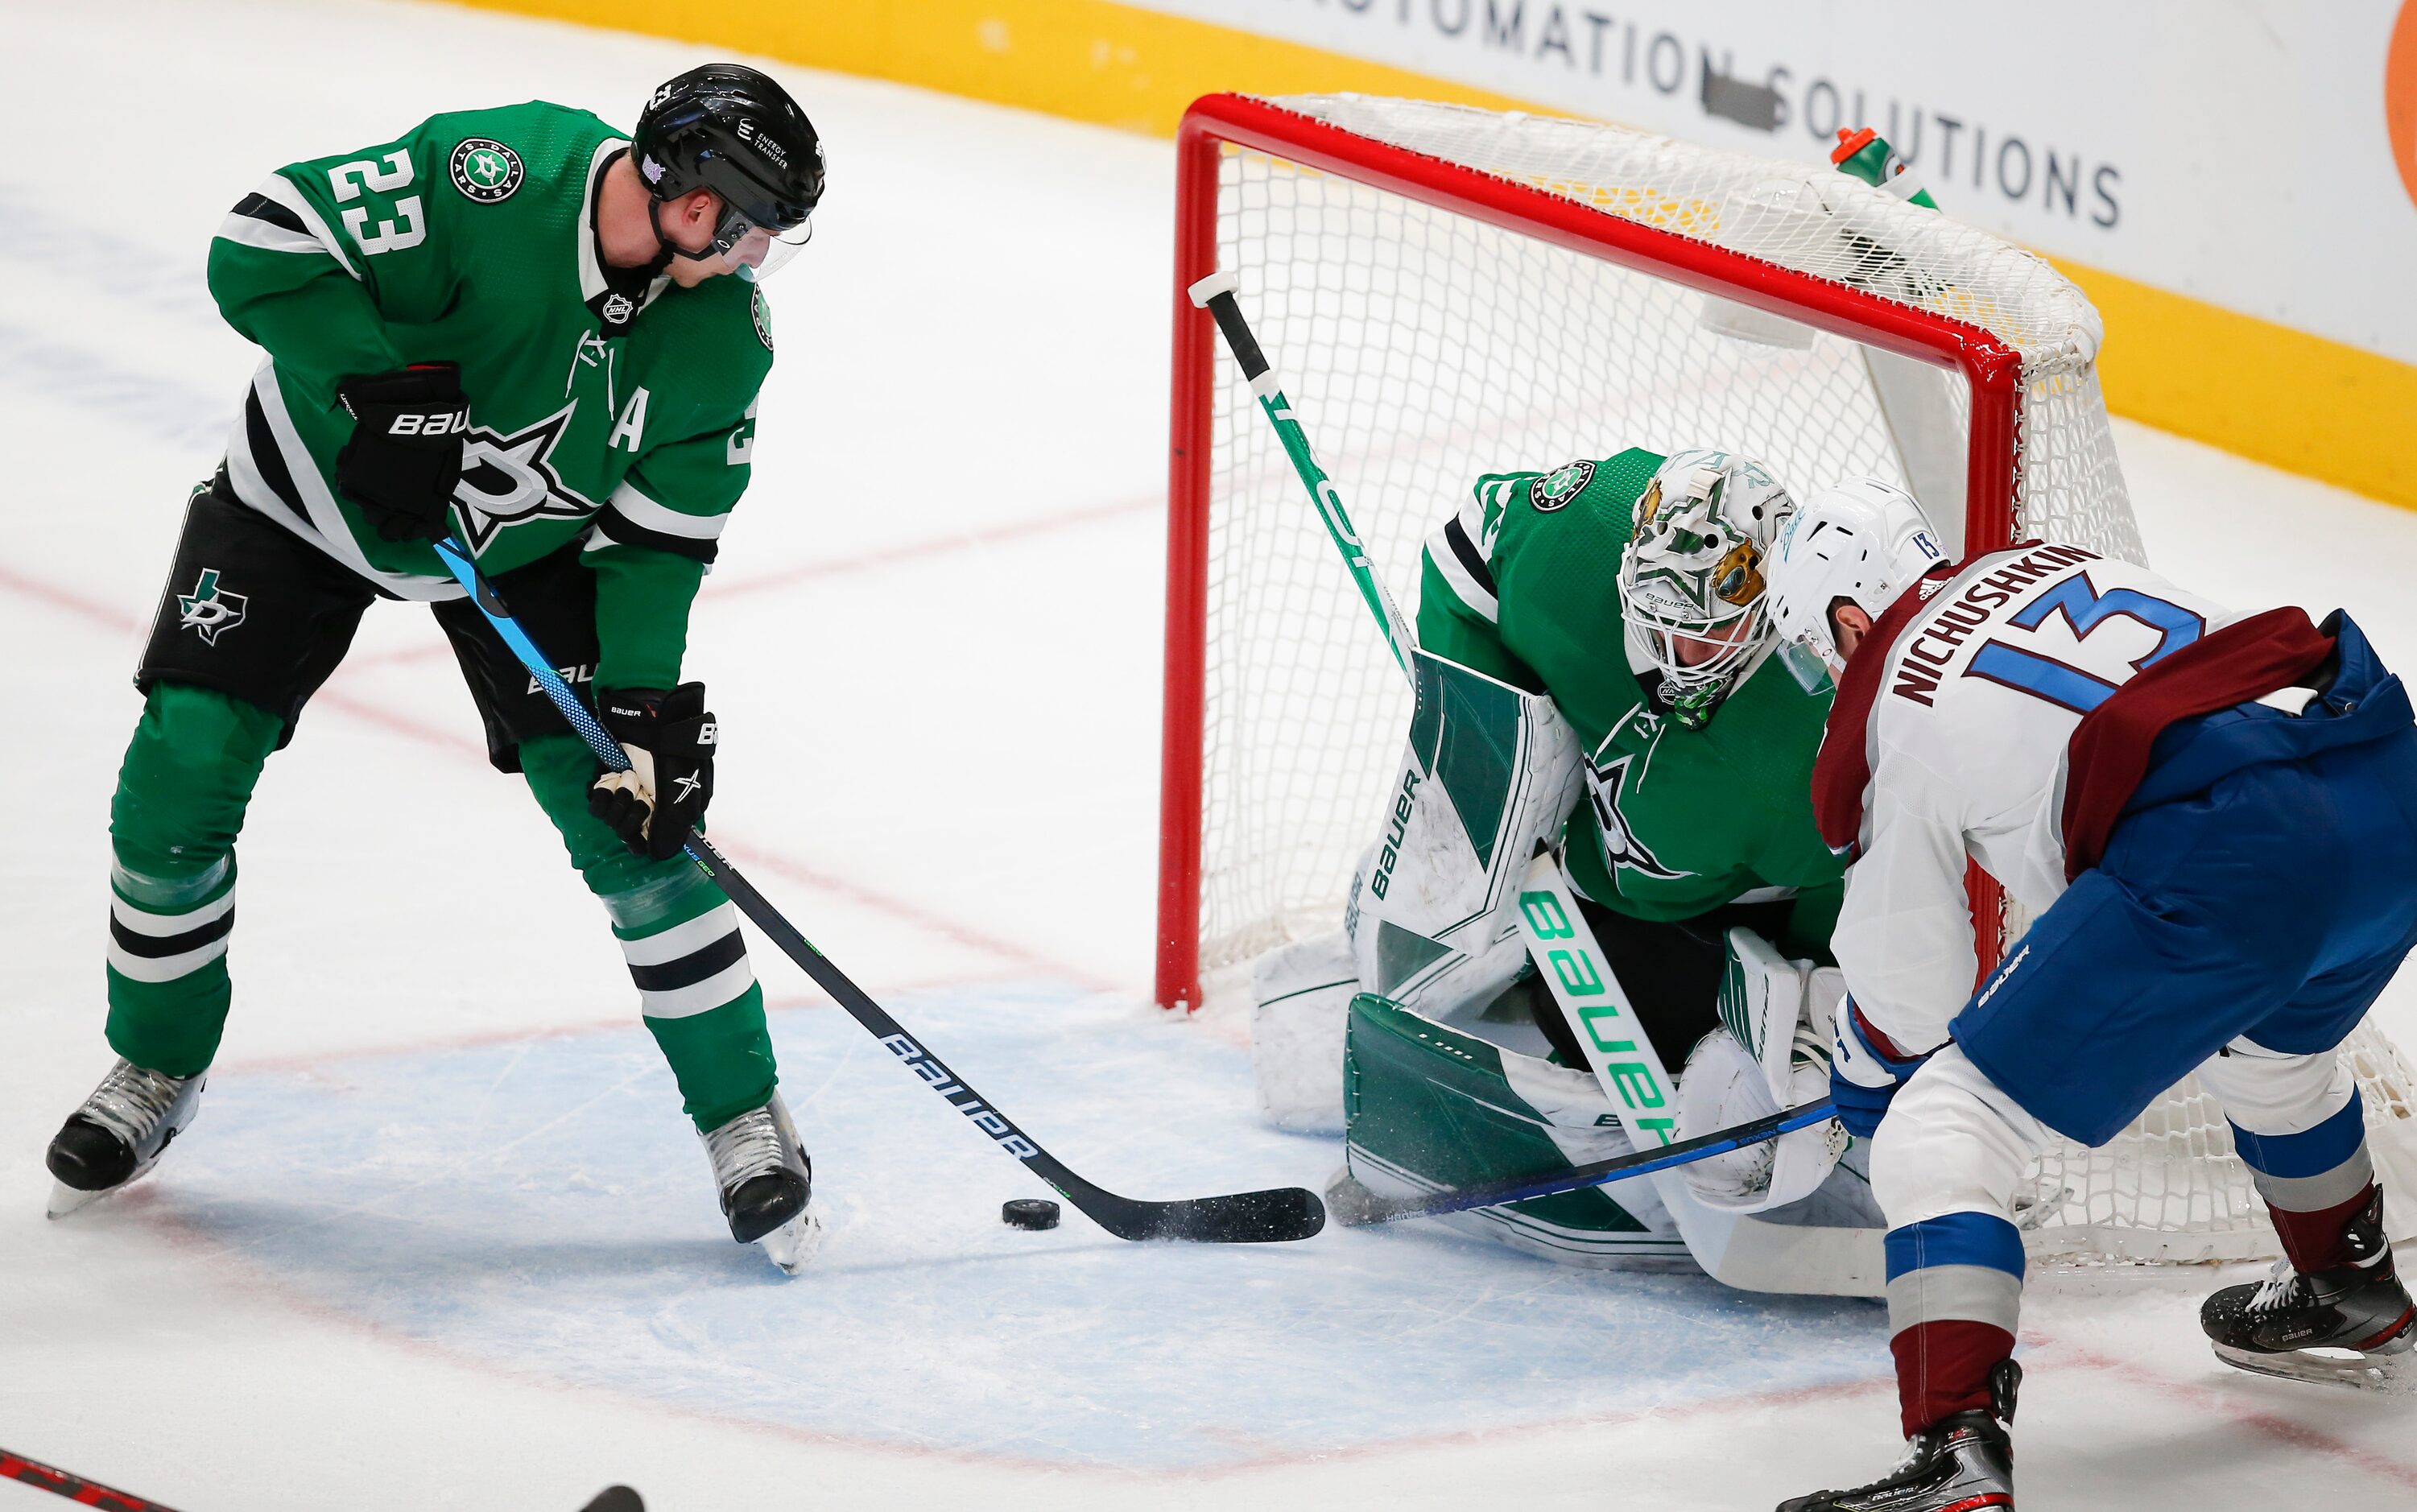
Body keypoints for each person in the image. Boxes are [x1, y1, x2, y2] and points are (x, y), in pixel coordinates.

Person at [44, 64, 830, 1273]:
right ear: (682, 189)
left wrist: (642, 703)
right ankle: (157, 1060)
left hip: (523, 558)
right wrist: (374, 389)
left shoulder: (721, 339)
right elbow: (257, 243)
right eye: (743, 229)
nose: (751, 260)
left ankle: (743, 1114)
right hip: (306, 501)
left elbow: (659, 546)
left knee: (632, 823)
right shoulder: (497, 174)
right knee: (177, 779)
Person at [1762, 477, 2417, 1509]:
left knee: (1941, 1123)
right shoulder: (2033, 560)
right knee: (2271, 1053)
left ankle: (1955, 1456)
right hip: (2380, 778)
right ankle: (2347, 1286)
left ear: (1850, 617)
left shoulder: (1891, 700)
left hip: (2228, 853)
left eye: (1821, 645)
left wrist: (1863, 1087)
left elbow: (1909, 993)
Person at [1254, 448, 1872, 1270]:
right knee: (1438, 901)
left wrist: (1806, 1011)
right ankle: (1408, 978)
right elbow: (1466, 551)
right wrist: (1486, 738)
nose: (1678, 663)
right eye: (1658, 629)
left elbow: (1856, 876)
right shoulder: (1577, 538)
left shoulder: (1818, 726)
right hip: (1589, 834)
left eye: (1709, 634)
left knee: (1650, 1060)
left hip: (1705, 906)